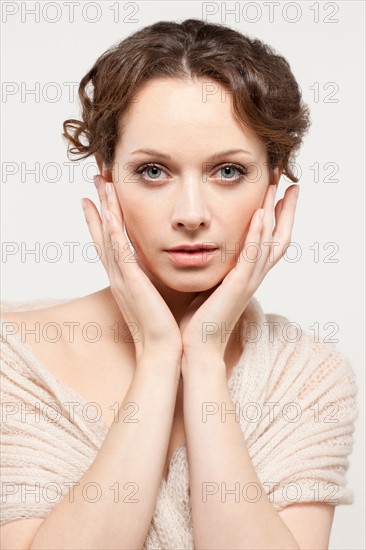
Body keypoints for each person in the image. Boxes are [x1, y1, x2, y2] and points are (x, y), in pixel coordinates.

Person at [0, 18, 358, 550]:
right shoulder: (16, 359)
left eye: (228, 172)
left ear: (274, 179)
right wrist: (159, 355)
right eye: (152, 171)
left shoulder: (306, 379)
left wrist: (205, 357)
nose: (191, 214)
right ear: (107, 174)